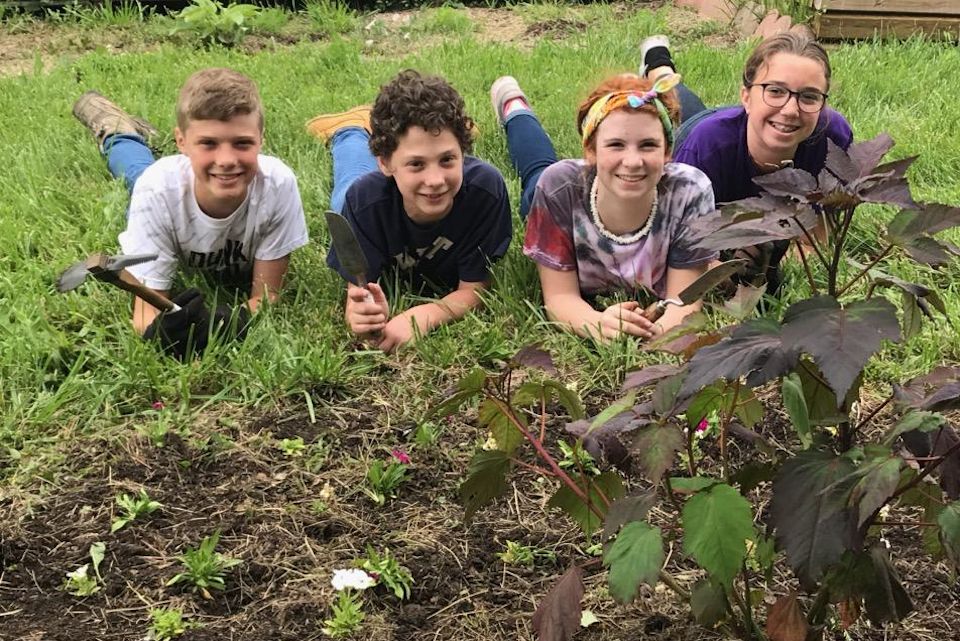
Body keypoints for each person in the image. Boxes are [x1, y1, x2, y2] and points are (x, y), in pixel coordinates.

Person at [72, 68, 309, 360]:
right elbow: (143, 317)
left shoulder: (277, 185)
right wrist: (160, 333)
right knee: (136, 173)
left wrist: (226, 325)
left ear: (261, 138)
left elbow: (268, 297)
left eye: (242, 143)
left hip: (184, 182)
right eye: (208, 143)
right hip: (163, 186)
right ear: (181, 142)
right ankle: (116, 129)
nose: (226, 160)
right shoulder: (158, 191)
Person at [490, 72, 717, 341]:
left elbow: (684, 302)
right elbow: (560, 298)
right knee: (537, 170)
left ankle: (659, 66)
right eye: (616, 145)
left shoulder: (690, 192)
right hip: (562, 201)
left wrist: (652, 335)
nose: (632, 161)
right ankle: (514, 107)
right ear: (591, 150)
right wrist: (596, 323)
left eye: (648, 145)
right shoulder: (557, 189)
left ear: (667, 152)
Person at [306, 70, 512, 353]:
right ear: (386, 163)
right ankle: (350, 129)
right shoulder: (363, 202)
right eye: (416, 164)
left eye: (447, 159)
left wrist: (424, 315)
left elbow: (474, 287)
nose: (436, 180)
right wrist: (361, 312)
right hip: (369, 194)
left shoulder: (485, 191)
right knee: (349, 182)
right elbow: (360, 290)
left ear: (463, 152)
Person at [638, 31, 853, 291]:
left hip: (754, 121)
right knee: (678, 98)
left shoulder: (833, 136)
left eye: (809, 96)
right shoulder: (706, 147)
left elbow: (820, 233)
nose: (790, 110)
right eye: (775, 90)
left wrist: (780, 261)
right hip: (709, 131)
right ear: (746, 96)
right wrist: (730, 277)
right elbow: (676, 244)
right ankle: (657, 62)